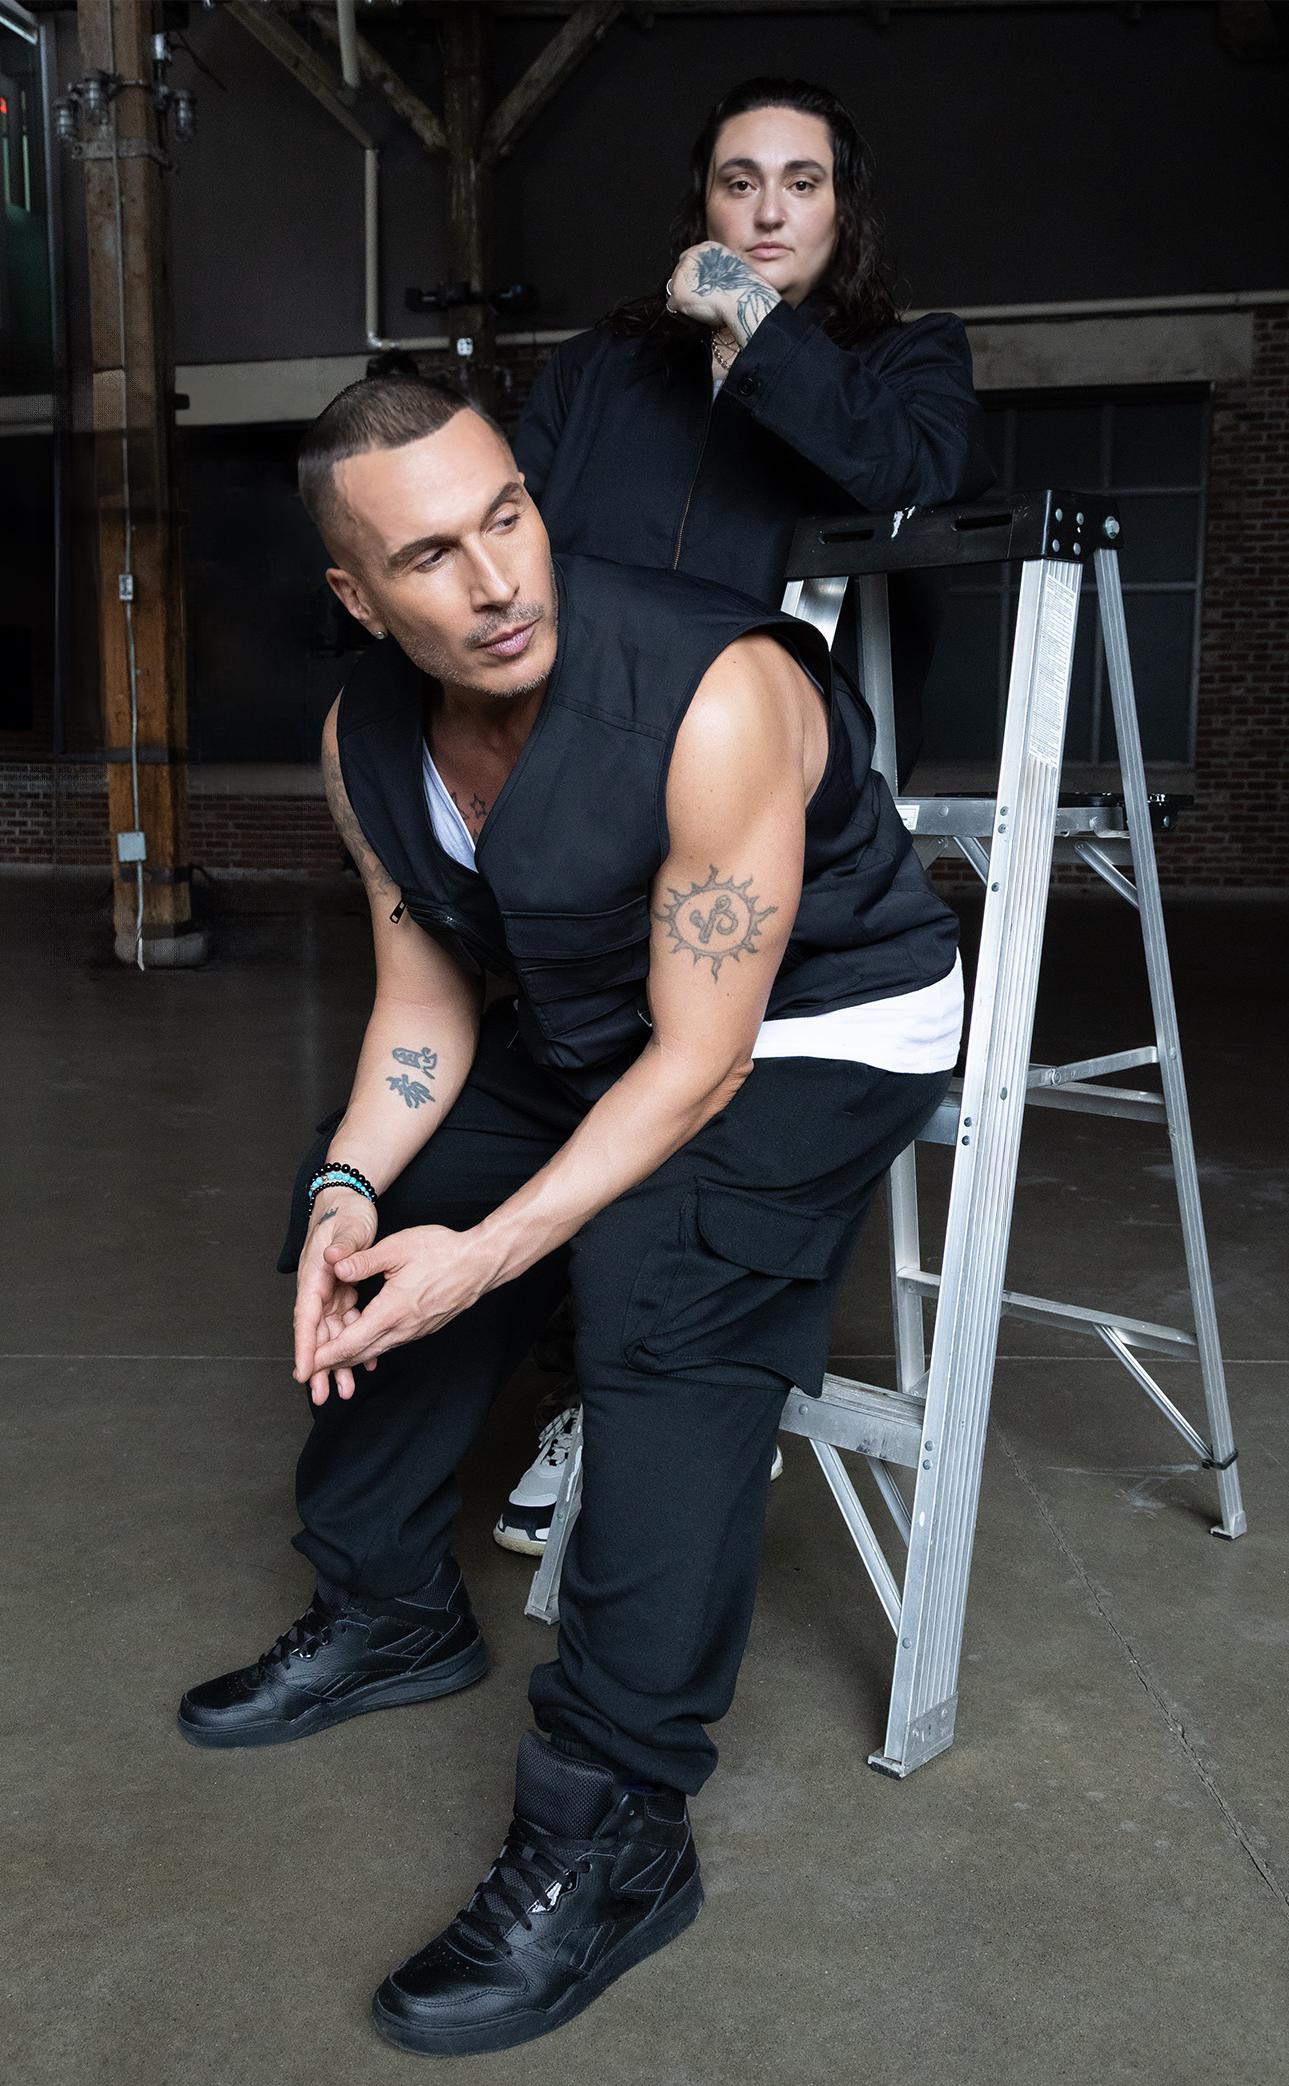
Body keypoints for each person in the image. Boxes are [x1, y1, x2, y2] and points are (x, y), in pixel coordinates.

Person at [178, 374, 961, 2054]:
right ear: (356, 597)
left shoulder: (713, 691)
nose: (496, 582)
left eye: (509, 516)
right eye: (430, 557)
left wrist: (491, 1255)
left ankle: (614, 1825)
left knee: (657, 1284)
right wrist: (349, 1188)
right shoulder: (364, 740)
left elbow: (701, 1064)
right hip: (592, 1010)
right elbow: (423, 1000)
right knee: (389, 1206)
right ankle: (387, 1606)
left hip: (807, 1023)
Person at [495, 73, 990, 1554]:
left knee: (722, 1103)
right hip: (589, 774)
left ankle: (686, 1391)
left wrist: (756, 329)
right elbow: (518, 538)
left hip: (767, 795)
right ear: (698, 202)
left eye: (800, 182)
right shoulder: (605, 366)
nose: (767, 211)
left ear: (844, 207)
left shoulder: (903, 358)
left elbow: (908, 473)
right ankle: (600, 1388)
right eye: (737, 182)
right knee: (572, 1073)